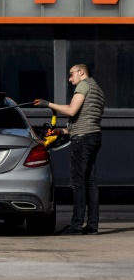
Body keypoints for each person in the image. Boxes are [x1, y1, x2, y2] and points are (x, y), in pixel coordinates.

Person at [34, 64, 105, 236]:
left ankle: (76, 225)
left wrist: (47, 104)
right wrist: (60, 131)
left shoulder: (84, 85)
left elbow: (72, 111)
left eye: (71, 74)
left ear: (81, 72)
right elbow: (84, 120)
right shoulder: (98, 90)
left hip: (83, 140)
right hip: (93, 136)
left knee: (78, 182)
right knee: (90, 183)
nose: (70, 79)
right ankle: (92, 226)